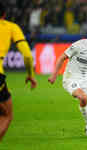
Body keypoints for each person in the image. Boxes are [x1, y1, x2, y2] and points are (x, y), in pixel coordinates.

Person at [0, 2, 37, 141]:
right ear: (4, 14)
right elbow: (27, 55)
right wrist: (30, 75)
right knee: (6, 115)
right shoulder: (11, 27)